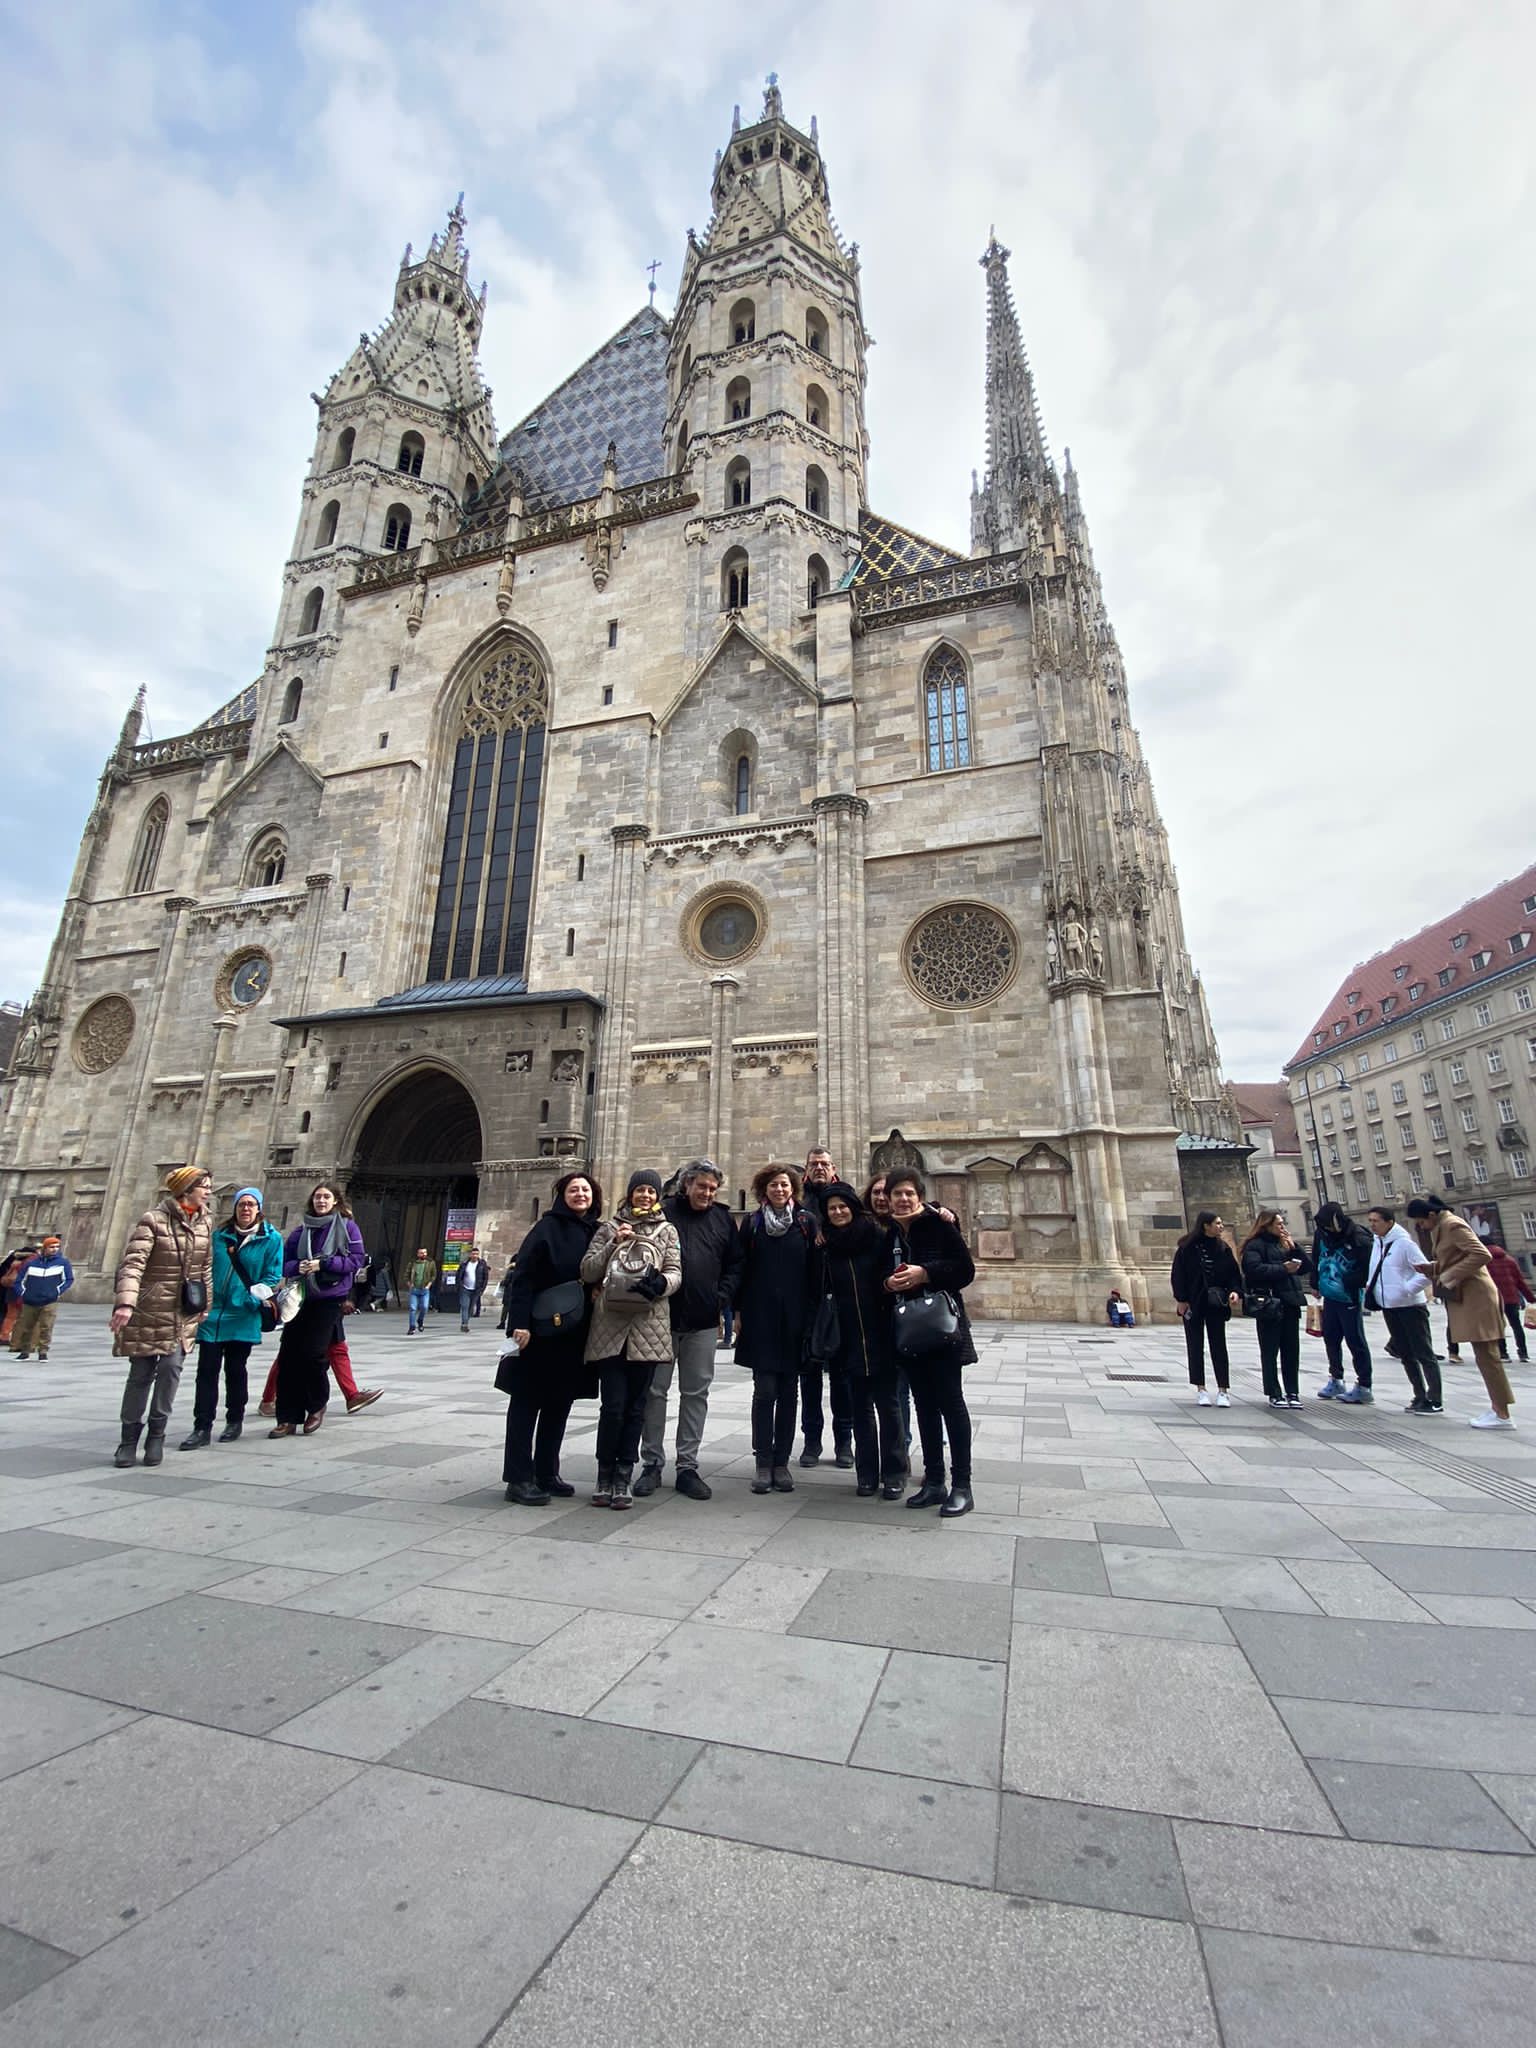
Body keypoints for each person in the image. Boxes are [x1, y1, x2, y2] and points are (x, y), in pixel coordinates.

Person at [635, 1158, 741, 1501]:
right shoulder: (663, 1212)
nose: (708, 1193)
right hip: (659, 1319)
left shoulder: (722, 1218)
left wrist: (721, 1297)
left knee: (696, 1393)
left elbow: (735, 1264)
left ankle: (687, 1466)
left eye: (713, 1188)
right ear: (686, 1185)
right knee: (655, 1391)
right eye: (702, 1187)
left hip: (703, 1321)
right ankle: (652, 1463)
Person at [581, 1169, 681, 1508]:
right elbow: (588, 1270)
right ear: (630, 1193)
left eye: (651, 1191)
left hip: (649, 1327)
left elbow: (675, 1271)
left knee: (637, 1408)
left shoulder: (667, 1230)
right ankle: (604, 1474)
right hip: (610, 1327)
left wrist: (661, 1285)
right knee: (612, 1406)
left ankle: (624, 1474)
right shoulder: (609, 1228)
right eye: (640, 1190)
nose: (645, 1196)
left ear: (658, 1196)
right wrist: (614, 1242)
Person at [501, 1172, 602, 1505]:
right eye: (573, 1190)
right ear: (562, 1195)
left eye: (585, 1189)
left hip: (573, 1332)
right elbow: (523, 1277)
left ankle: (546, 1471)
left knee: (559, 1403)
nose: (580, 1194)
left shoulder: (596, 1231)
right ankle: (518, 1478)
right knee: (526, 1402)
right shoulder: (546, 1228)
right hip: (539, 1330)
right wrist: (519, 1324)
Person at [109, 1165, 214, 1466]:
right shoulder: (153, 1220)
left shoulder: (206, 1222)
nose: (208, 1191)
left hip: (183, 1310)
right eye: (204, 1186)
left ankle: (157, 1435)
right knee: (140, 1374)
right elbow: (133, 1263)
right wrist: (126, 1302)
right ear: (186, 1189)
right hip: (149, 1308)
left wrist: (205, 1303)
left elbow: (205, 1267)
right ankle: (128, 1440)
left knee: (171, 1369)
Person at [885, 1168, 976, 1516]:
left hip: (943, 1330)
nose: (903, 1199)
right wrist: (888, 1283)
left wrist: (926, 1273)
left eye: (909, 1193)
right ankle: (934, 1481)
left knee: (951, 1402)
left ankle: (962, 1485)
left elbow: (965, 1270)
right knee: (923, 1405)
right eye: (897, 1193)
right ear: (889, 1198)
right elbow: (879, 1272)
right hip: (909, 1333)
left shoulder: (940, 1224)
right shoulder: (889, 1232)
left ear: (920, 1196)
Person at [819, 1181, 908, 1499]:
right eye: (832, 1209)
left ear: (853, 1208)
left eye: (842, 1206)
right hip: (848, 1336)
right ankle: (867, 1473)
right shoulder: (826, 1245)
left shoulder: (876, 1236)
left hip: (881, 1330)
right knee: (860, 1408)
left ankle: (894, 1472)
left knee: (889, 1405)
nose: (838, 1212)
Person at [180, 1187, 282, 1448]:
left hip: (243, 1314)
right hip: (213, 1314)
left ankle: (234, 1420)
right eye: (241, 1204)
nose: (246, 1209)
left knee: (236, 1370)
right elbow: (203, 1266)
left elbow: (272, 1275)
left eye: (251, 1204)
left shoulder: (271, 1239)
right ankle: (201, 1426)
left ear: (259, 1208)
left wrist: (251, 1299)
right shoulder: (219, 1236)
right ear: (235, 1208)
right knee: (206, 1371)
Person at [735, 1164, 815, 1493]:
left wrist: (814, 1316)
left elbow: (815, 1269)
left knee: (789, 1392)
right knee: (765, 1390)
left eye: (784, 1184)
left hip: (796, 1318)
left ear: (792, 1188)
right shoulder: (753, 1223)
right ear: (763, 1190)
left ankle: (781, 1462)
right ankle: (763, 1461)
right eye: (773, 1185)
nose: (779, 1190)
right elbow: (740, 1267)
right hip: (761, 1317)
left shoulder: (806, 1222)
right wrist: (737, 1312)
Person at [1406, 1196, 1515, 1428]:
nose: (1421, 1227)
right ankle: (1498, 1408)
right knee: (1484, 1355)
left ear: (1431, 1215)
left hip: (1477, 1296)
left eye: (1421, 1222)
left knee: (1488, 1356)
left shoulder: (1452, 1225)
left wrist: (1449, 1275)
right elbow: (1454, 1258)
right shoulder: (1442, 1226)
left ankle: (1502, 1413)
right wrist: (1433, 1268)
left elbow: (1481, 1254)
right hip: (1468, 1295)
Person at [270, 1182, 365, 1439]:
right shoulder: (301, 1230)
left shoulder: (348, 1228)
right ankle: (287, 1417)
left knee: (313, 1354)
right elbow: (284, 1263)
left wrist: (323, 1264)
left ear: (336, 1201)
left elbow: (356, 1259)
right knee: (288, 1356)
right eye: (317, 1197)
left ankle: (315, 1406)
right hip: (301, 1298)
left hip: (329, 1299)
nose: (321, 1201)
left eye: (326, 1197)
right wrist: (298, 1267)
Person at [799, 1145, 854, 1467]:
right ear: (807, 1169)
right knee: (809, 1378)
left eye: (824, 1163)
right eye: (814, 1164)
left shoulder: (845, 1196)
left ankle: (844, 1442)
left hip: (841, 1300)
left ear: (833, 1168)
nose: (819, 1168)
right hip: (808, 1301)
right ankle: (811, 1441)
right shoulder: (797, 1200)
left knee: (842, 1378)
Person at [1365, 1203, 1442, 1414]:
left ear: (1389, 1222)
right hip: (1389, 1305)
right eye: (1370, 1221)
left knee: (1423, 1352)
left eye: (1376, 1221)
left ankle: (1434, 1398)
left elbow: (1426, 1272)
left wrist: (1407, 1289)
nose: (1372, 1225)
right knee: (1406, 1354)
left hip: (1410, 1306)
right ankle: (1419, 1395)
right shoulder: (1377, 1243)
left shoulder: (1405, 1244)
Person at [1170, 1211, 1242, 1405]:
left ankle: (1223, 1390)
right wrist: (1181, 1299)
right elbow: (1178, 1275)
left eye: (1221, 1223)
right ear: (1206, 1225)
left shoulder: (1223, 1248)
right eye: (1217, 1223)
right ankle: (1200, 1388)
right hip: (1193, 1303)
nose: (1221, 1226)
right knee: (1195, 1345)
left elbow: (1234, 1274)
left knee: (1219, 1345)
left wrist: (1235, 1291)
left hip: (1216, 1303)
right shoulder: (1187, 1248)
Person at [1239, 1212, 1310, 1407]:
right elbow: (1253, 1270)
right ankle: (1274, 1392)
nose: (1282, 1227)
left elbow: (1307, 1267)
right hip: (1269, 1303)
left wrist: (1295, 1249)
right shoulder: (1255, 1245)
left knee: (1291, 1350)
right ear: (1267, 1225)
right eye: (1278, 1223)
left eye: (1282, 1223)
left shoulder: (1285, 1244)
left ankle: (1292, 1391)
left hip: (1290, 1301)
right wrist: (1283, 1268)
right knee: (1270, 1350)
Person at [1311, 1201, 1375, 1403]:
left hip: (1349, 1296)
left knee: (1355, 1340)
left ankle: (1364, 1384)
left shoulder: (1358, 1236)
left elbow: (1369, 1266)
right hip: (1329, 1295)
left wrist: (1351, 1280)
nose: (1327, 1230)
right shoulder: (1321, 1234)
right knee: (1331, 1338)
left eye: (1329, 1225)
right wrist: (1315, 1282)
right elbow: (1316, 1258)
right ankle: (1336, 1378)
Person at [9, 1234, 74, 1358]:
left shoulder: (62, 1263)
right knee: (27, 1326)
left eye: (57, 1247)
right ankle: (25, 1351)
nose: (55, 1249)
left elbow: (68, 1280)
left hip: (49, 1300)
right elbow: (20, 1280)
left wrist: (56, 1292)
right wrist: (24, 1293)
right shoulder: (31, 1263)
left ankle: (43, 1351)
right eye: (52, 1247)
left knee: (46, 1326)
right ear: (45, 1248)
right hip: (30, 1300)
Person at [1486, 1242, 1534, 1364]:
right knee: (1516, 1325)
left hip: (1494, 1298)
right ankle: (1523, 1353)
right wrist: (1530, 1298)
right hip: (1511, 1298)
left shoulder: (1484, 1260)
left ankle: (1503, 1353)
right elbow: (1520, 1281)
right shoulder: (1510, 1260)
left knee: (1498, 1326)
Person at [0, 1244, 36, 1348]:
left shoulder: (14, 1262)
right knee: (21, 1317)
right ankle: (18, 1338)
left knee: (10, 1316)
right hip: (21, 1291)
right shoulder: (28, 1264)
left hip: (11, 1291)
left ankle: (4, 1336)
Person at [406, 1248, 436, 1333]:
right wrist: (409, 1284)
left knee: (424, 1307)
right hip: (414, 1289)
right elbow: (407, 1274)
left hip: (424, 1289)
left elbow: (433, 1275)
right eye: (421, 1253)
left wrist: (428, 1285)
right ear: (418, 1254)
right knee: (413, 1308)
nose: (423, 1254)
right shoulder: (412, 1263)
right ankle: (412, 1327)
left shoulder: (430, 1263)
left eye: (425, 1252)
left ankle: (420, 1320)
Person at [458, 1245, 488, 1330]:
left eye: (476, 1254)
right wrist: (460, 1285)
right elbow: (459, 1275)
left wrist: (482, 1289)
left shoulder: (482, 1264)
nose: (475, 1256)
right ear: (470, 1255)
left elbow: (485, 1277)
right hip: (465, 1288)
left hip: (476, 1289)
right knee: (465, 1306)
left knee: (470, 1308)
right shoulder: (465, 1264)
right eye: (473, 1254)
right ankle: (464, 1324)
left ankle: (466, 1322)